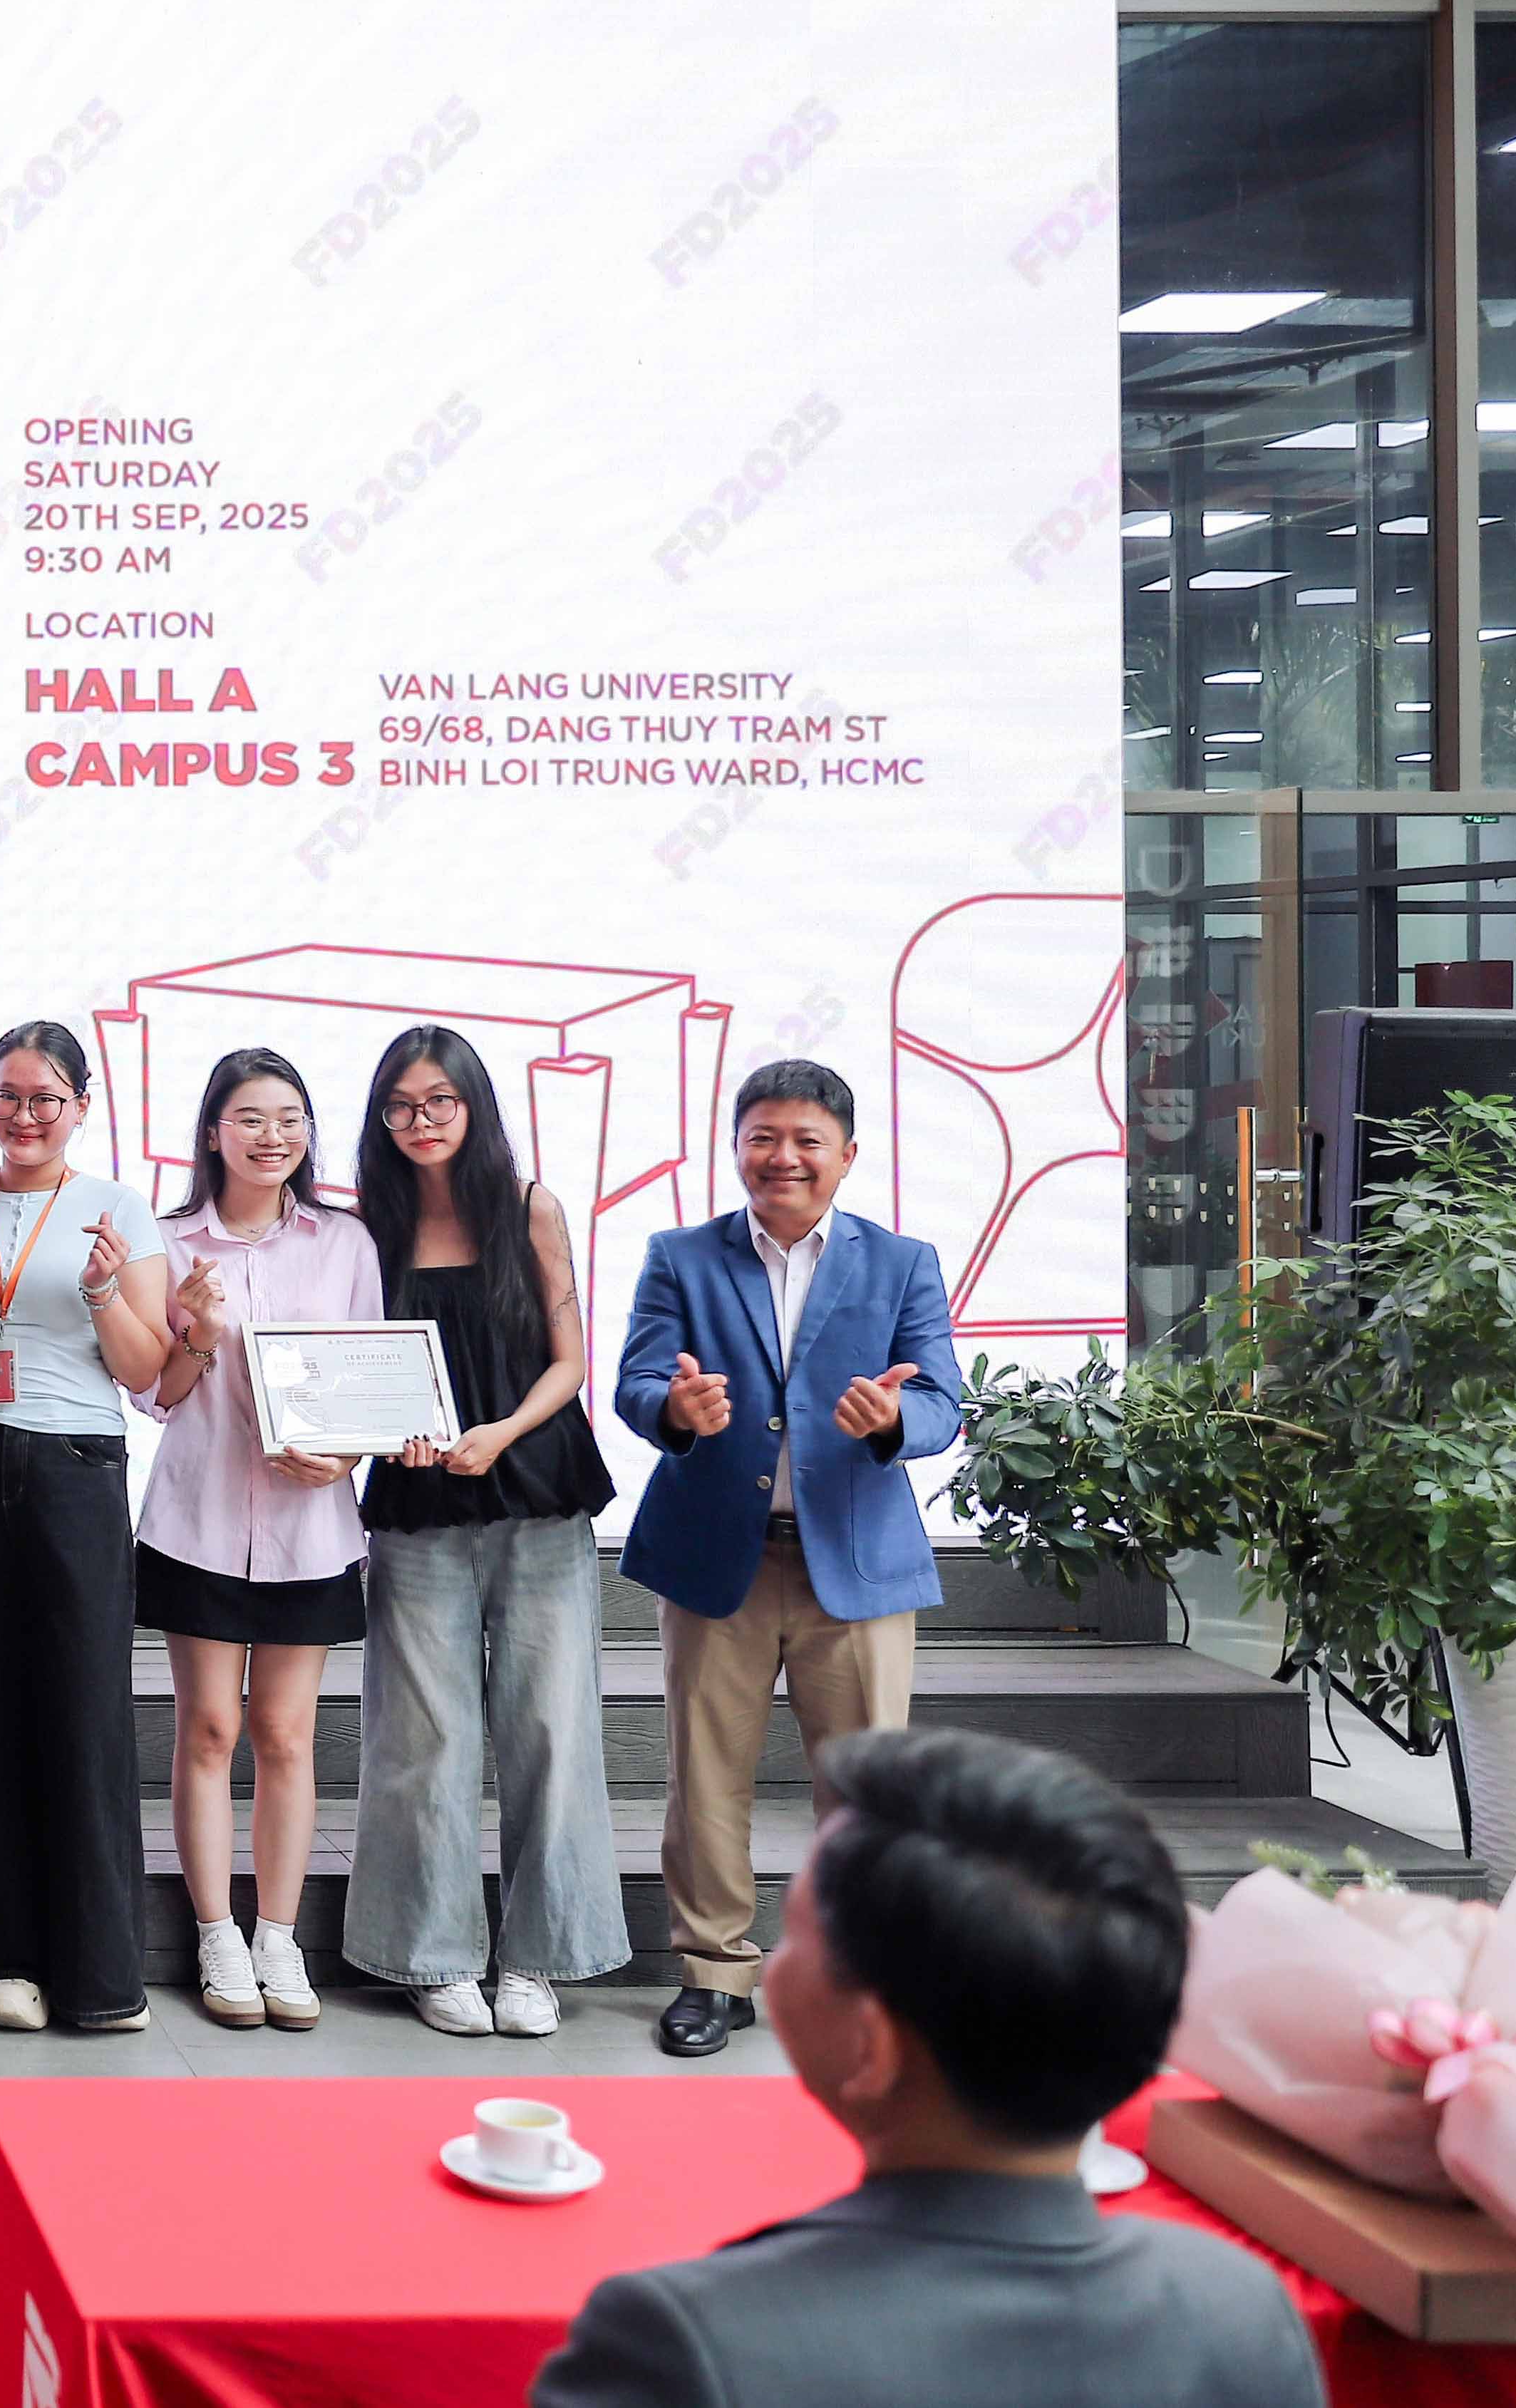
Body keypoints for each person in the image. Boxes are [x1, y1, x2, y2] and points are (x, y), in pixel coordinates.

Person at [532, 1729, 1325, 2408]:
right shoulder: (1244, 2311)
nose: (773, 1965)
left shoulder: (684, 2344)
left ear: (871, 2045)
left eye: (796, 1936)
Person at [616, 1057, 962, 2057]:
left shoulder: (901, 1261)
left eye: (808, 1140)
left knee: (866, 1792)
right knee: (704, 1777)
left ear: (847, 1155)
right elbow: (638, 1379)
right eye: (762, 1137)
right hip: (715, 1559)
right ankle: (713, 1975)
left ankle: (855, 1980)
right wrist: (673, 1408)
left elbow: (942, 1400)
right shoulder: (681, 1255)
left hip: (854, 1561)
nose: (784, 1157)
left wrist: (895, 1419)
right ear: (735, 1148)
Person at [344, 1027, 624, 2038]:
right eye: (401, 1106)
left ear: (475, 1105)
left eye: (439, 1102)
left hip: (538, 1491)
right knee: (423, 1738)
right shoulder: (365, 1227)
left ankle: (539, 1960)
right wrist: (393, 1433)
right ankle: (435, 1958)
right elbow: (353, 1367)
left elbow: (570, 1360)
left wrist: (500, 1431)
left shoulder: (530, 1206)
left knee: (552, 1729)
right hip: (417, 1505)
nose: (420, 1122)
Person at [0, 1020, 173, 2033]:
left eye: (45, 1099)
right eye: (8, 1097)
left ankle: (100, 1973)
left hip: (76, 1465)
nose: (24, 1116)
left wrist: (103, 1289)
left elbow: (146, 1370)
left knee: (86, 1712)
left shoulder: (117, 1209)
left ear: (82, 1107)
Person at [132, 1047, 376, 2031]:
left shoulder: (345, 1241)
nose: (272, 1136)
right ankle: (214, 1932)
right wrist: (193, 1329)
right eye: (250, 1118)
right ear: (212, 1132)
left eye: (289, 1119)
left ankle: (278, 1933)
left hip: (309, 1527)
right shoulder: (165, 1241)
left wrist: (345, 1454)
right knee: (208, 1730)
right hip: (197, 1518)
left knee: (284, 1733)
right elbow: (155, 1395)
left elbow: (368, 1377)